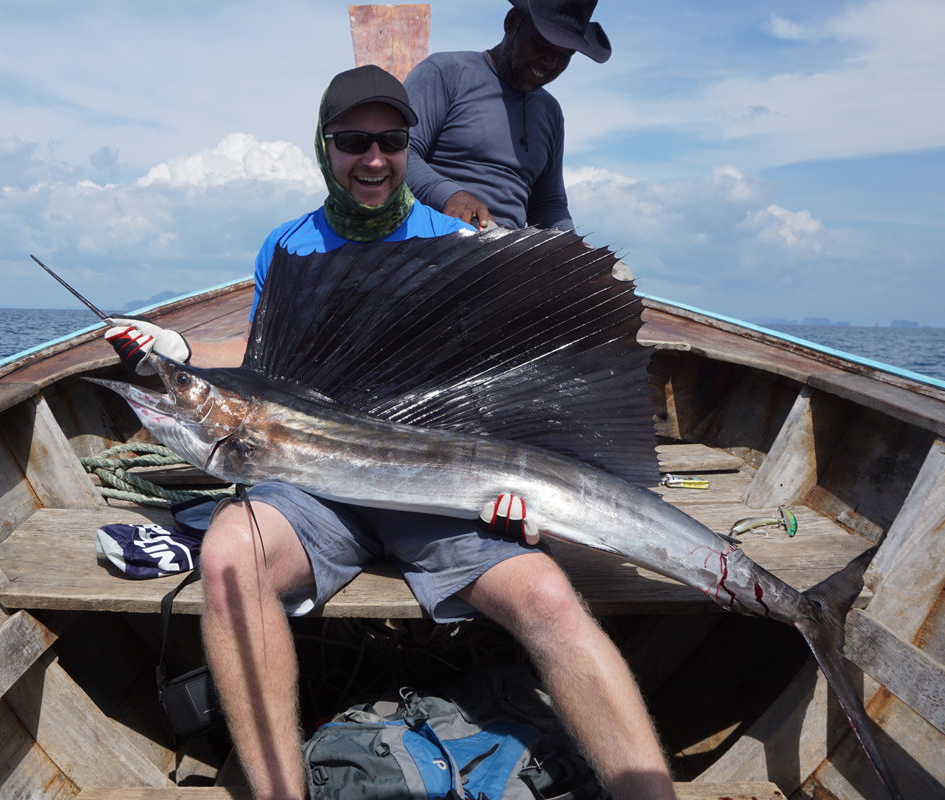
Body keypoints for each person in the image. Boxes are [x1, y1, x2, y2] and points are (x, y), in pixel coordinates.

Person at [104, 65, 674, 800]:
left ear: (411, 147)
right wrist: (174, 352)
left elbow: (503, 385)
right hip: (314, 486)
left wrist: (526, 498)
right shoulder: (287, 245)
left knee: (549, 598)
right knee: (226, 559)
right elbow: (263, 370)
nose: (372, 159)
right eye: (352, 140)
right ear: (324, 145)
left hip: (439, 488)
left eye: (390, 140)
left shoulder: (461, 244)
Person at [403, 0, 611, 233]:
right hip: (431, 244)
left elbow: (548, 203)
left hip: (506, 255)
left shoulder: (550, 111)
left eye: (564, 56)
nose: (550, 63)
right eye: (542, 46)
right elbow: (399, 154)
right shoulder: (446, 72)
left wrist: (570, 246)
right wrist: (450, 195)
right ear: (511, 22)